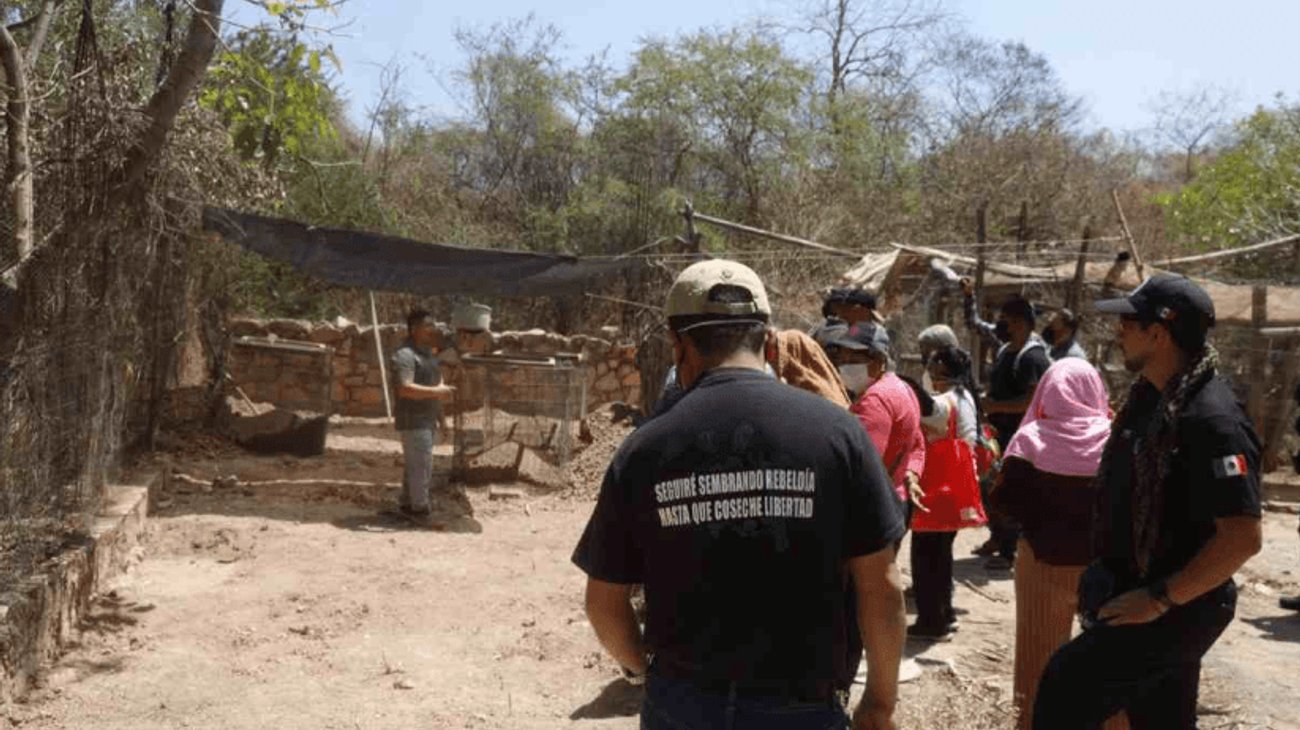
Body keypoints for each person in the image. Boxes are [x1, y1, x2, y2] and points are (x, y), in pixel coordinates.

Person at [572, 259, 907, 730]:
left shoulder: (644, 450)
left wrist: (641, 669)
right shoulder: (839, 434)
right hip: (803, 706)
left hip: (683, 706)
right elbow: (883, 585)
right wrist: (880, 701)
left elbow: (603, 603)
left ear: (678, 346)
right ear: (770, 342)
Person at [1033, 274, 1264, 729]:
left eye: (1128, 323)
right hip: (1135, 595)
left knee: (1066, 685)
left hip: (1175, 606)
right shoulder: (1151, 401)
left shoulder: (1212, 419)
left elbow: (1242, 538)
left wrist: (1158, 599)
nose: (1118, 332)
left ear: (1158, 333)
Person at [988, 358, 1125, 729]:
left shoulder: (1030, 439)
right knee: (1112, 667)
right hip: (1108, 572)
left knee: (1037, 665)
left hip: (1042, 566)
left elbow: (1003, 506)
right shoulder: (1116, 439)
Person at [962, 280, 1051, 568]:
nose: (1001, 326)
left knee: (1010, 490)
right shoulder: (1005, 350)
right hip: (998, 434)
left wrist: (995, 405)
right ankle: (997, 537)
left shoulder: (1033, 357)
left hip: (1020, 436)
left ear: (1022, 324)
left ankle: (1009, 551)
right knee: (989, 487)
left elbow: (1032, 400)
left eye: (1006, 322)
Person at [909, 345, 986, 642]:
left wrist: (907, 386)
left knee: (925, 555)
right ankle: (945, 611)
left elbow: (929, 408)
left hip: (937, 488)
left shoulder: (945, 402)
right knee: (941, 555)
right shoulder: (966, 398)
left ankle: (932, 621)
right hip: (957, 487)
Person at [829, 323, 927, 514]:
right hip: (896, 500)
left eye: (855, 357)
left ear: (878, 360)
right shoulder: (902, 387)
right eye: (843, 356)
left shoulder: (874, 400)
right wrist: (911, 475)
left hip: (871, 507)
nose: (845, 363)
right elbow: (917, 445)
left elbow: (860, 464)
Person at [391, 308, 457, 521]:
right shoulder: (405, 355)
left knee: (416, 464)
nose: (433, 329)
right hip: (413, 420)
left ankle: (408, 504)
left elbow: (435, 389)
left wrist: (443, 421)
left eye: (433, 325)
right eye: (428, 325)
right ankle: (420, 509)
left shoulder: (429, 356)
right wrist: (438, 392)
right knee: (422, 466)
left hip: (427, 421)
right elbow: (405, 388)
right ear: (414, 329)